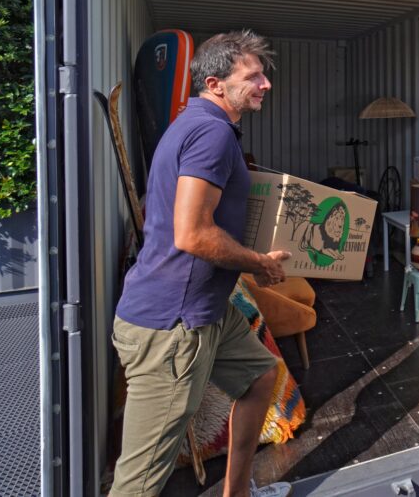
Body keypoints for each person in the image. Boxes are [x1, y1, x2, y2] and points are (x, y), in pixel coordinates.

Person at [110, 30, 293, 497]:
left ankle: (238, 493)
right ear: (215, 84)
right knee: (139, 482)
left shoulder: (195, 124)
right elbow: (191, 233)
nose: (265, 84)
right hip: (174, 325)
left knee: (261, 373)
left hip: (204, 309)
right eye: (253, 76)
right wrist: (259, 263)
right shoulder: (211, 133)